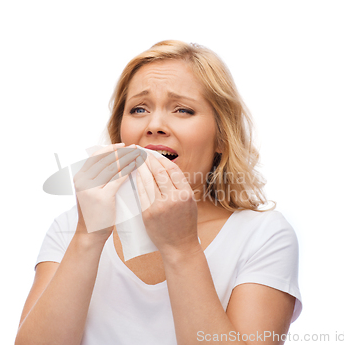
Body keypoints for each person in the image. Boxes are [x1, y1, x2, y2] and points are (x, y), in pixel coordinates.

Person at [15, 40, 302, 345]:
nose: (154, 125)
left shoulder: (263, 236)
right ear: (120, 134)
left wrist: (182, 248)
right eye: (138, 109)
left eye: (183, 110)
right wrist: (87, 237)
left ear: (221, 137)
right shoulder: (70, 228)